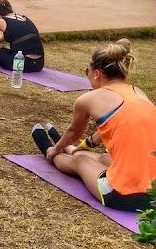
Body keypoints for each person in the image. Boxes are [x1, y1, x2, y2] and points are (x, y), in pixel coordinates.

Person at [31, 39, 156, 212]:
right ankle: (70, 150)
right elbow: (100, 135)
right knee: (104, 158)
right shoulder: (139, 93)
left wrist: (56, 149)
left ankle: (49, 150)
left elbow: (73, 133)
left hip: (122, 195)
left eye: (87, 72)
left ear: (97, 73)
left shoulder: (89, 99)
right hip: (153, 195)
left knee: (80, 160)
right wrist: (81, 146)